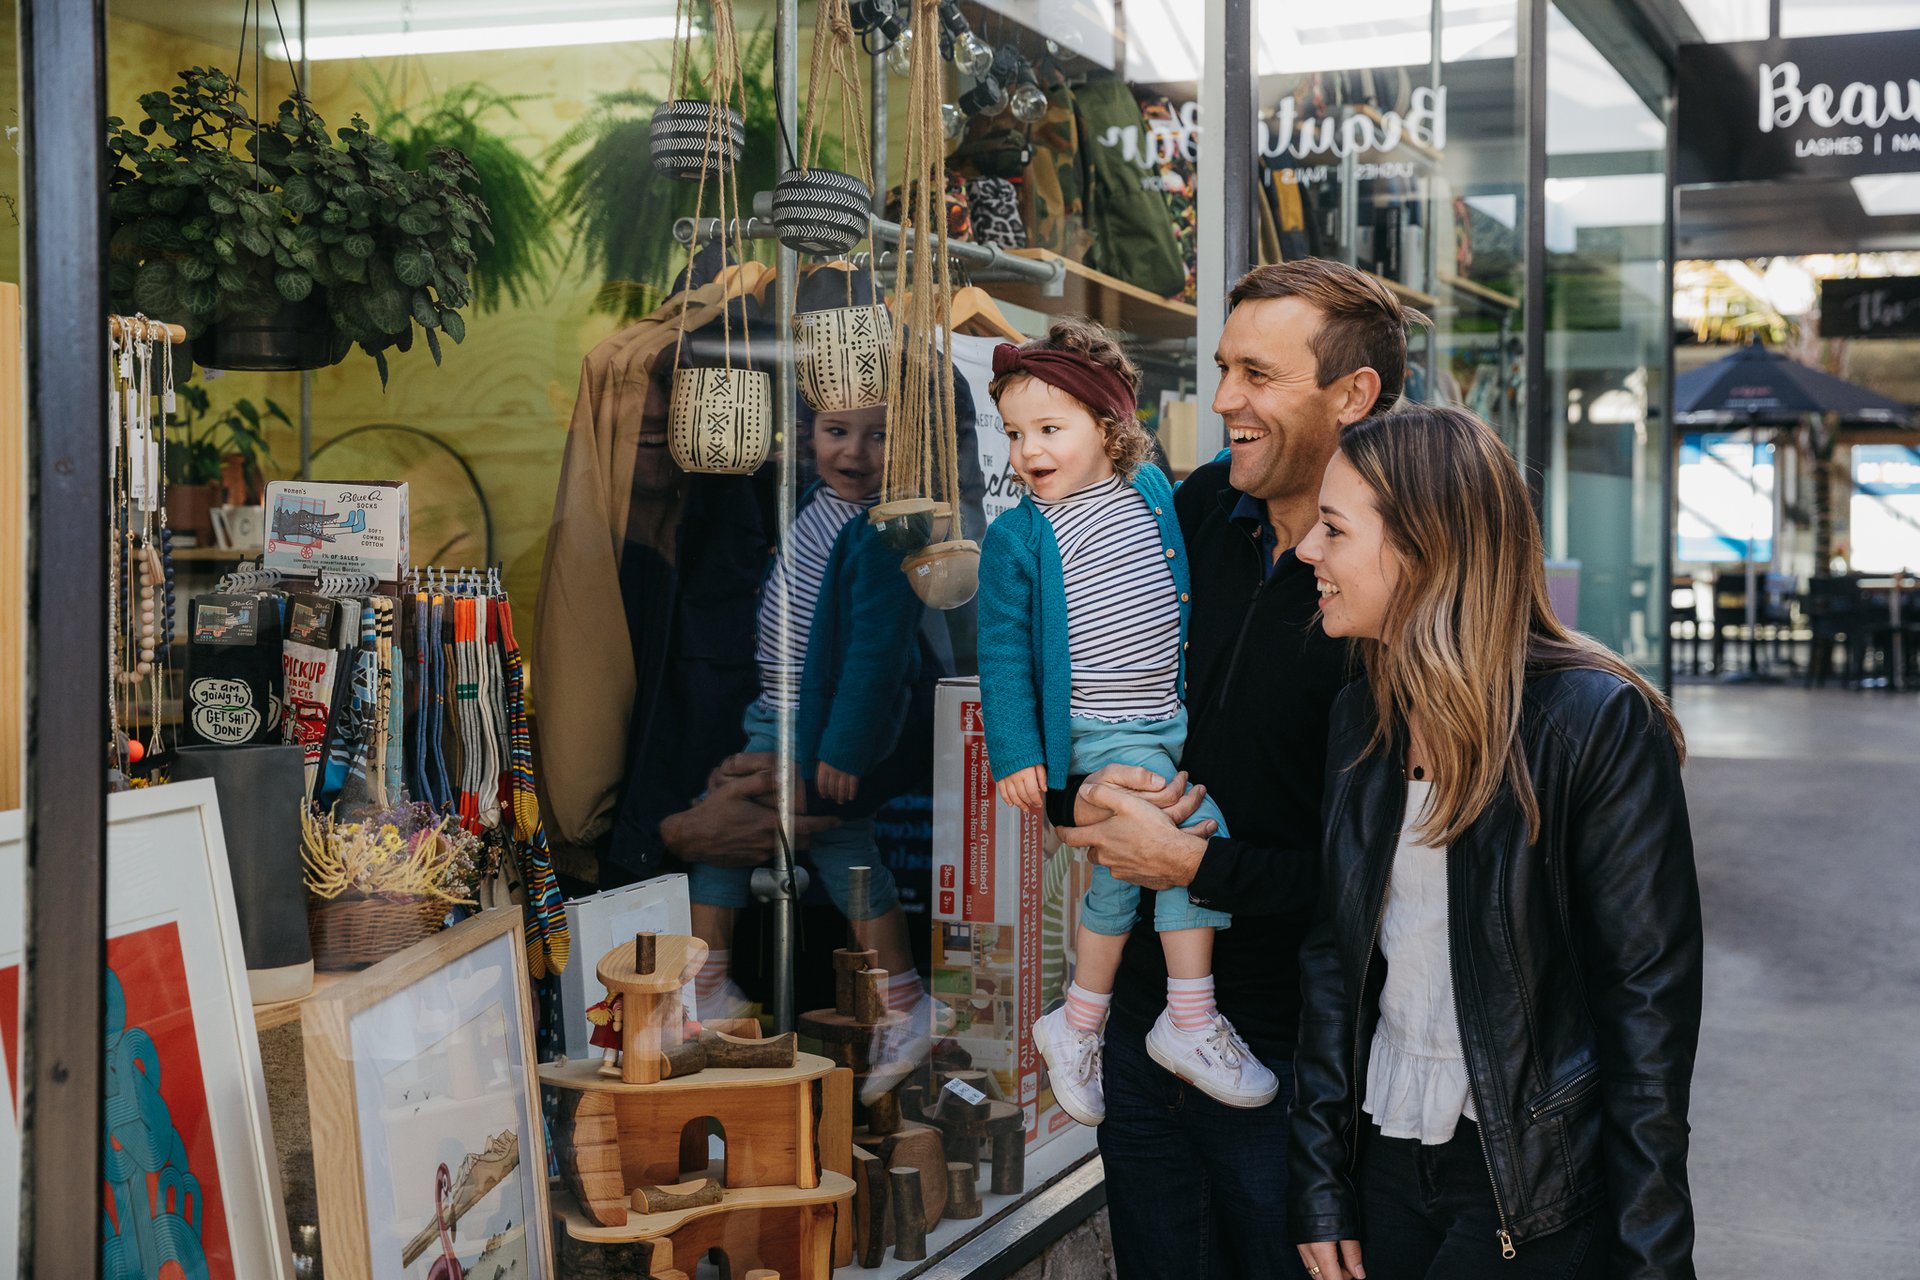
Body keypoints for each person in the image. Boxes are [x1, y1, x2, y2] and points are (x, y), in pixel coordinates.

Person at [1050, 261, 1425, 1278]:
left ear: (1353, 396)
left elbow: (1390, 875)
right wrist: (1078, 788)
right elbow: (1110, 697)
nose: (1222, 401)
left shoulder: (1402, 584)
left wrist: (1197, 868)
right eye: (1222, 369)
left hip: (1293, 1054)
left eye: (1257, 374)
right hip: (1142, 1021)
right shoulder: (1196, 508)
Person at [1289, 405, 1701, 1280]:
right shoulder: (1361, 715)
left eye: (1332, 528)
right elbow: (1336, 962)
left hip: (1528, 1180)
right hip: (1387, 1154)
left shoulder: (1592, 722)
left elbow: (1647, 1017)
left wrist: (1654, 1255)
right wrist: (1321, 1180)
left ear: (1424, 545)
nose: (1306, 553)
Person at [977, 318, 1277, 1126]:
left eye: (1049, 428)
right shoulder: (1017, 536)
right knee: (1194, 836)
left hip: (1165, 717)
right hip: (1100, 730)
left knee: (1122, 874)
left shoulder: (1148, 492)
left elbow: (1217, 488)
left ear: (1109, 432)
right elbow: (1001, 648)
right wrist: (1015, 753)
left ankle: (1076, 1023)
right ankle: (1187, 1017)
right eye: (1014, 433)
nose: (1026, 450)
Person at [682, 402, 934, 1095]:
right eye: (836, 433)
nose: (855, 453)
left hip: (818, 728)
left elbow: (877, 658)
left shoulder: (883, 529)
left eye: (878, 434)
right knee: (725, 831)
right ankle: (710, 990)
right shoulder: (814, 504)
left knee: (845, 850)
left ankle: (906, 1003)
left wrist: (845, 751)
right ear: (806, 438)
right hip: (779, 713)